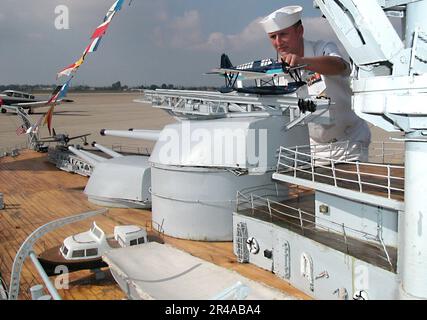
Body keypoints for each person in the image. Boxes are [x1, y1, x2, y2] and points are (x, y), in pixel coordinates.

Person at [259, 5, 371, 162]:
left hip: (348, 144)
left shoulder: (323, 49)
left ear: (300, 31)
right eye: (273, 37)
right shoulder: (278, 73)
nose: (278, 42)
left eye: (283, 34)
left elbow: (339, 65)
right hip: (313, 150)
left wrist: (303, 62)